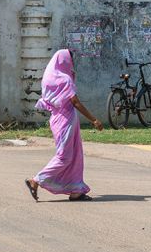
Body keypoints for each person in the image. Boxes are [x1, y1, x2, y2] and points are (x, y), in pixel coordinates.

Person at [25, 48, 103, 202]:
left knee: (75, 155)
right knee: (65, 156)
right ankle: (36, 180)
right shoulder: (64, 79)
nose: (72, 63)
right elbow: (74, 102)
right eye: (70, 60)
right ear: (64, 61)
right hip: (65, 121)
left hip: (58, 119)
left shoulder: (49, 78)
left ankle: (76, 190)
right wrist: (93, 120)